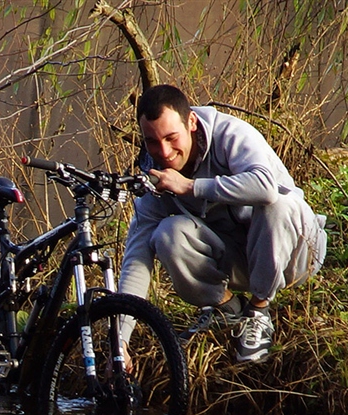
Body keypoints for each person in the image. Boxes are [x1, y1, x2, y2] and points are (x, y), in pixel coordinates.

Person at [119, 84, 327, 363]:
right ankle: (227, 308)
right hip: (239, 260)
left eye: (171, 138)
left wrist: (192, 187)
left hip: (295, 255)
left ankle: (258, 311)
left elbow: (265, 187)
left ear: (191, 122)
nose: (164, 152)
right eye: (152, 142)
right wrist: (120, 341)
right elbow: (137, 258)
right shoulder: (153, 175)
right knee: (167, 234)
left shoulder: (230, 134)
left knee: (276, 202)